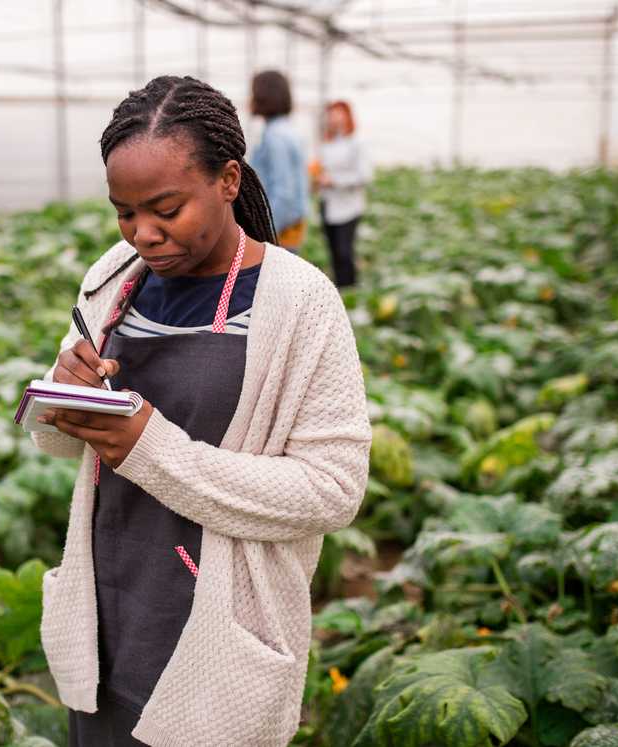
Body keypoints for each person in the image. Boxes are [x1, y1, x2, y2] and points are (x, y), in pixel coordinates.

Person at [31, 75, 371, 747]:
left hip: (217, 628)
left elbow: (333, 491)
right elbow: (64, 447)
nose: (143, 233)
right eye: (124, 212)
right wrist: (62, 389)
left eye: (165, 208)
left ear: (228, 179)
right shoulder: (114, 279)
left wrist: (148, 447)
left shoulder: (300, 302)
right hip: (108, 608)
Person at [249, 70, 309, 252]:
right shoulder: (287, 131)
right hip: (291, 226)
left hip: (281, 230)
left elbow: (284, 193)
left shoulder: (275, 137)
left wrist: (264, 232)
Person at [315, 100, 369, 288]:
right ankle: (340, 292)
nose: (334, 117)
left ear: (347, 116)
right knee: (334, 254)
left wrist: (335, 181)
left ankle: (351, 291)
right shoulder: (327, 143)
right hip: (328, 204)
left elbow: (364, 175)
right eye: (331, 114)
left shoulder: (357, 141)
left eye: (338, 113)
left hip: (349, 207)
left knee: (345, 253)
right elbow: (321, 169)